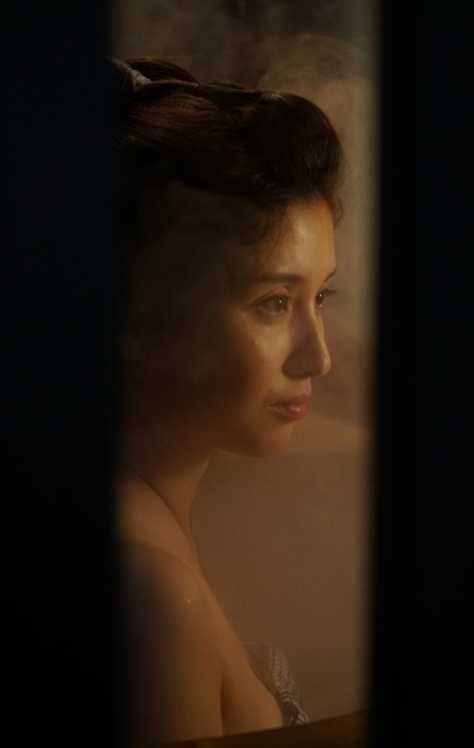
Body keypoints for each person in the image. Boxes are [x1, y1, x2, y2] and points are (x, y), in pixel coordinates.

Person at [111, 55, 344, 744]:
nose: (319, 357)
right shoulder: (155, 598)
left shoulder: (158, 519)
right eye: (273, 302)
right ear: (138, 312)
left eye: (321, 296)